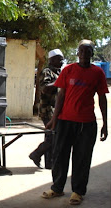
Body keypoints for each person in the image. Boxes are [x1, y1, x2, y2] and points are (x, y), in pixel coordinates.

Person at [41, 40, 108, 205]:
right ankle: (57, 188)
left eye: (88, 52)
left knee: (82, 158)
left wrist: (106, 124)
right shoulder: (68, 70)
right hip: (65, 121)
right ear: (77, 54)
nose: (84, 55)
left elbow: (102, 98)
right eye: (82, 52)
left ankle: (78, 191)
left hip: (86, 123)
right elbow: (61, 96)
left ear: (92, 54)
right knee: (59, 156)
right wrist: (54, 119)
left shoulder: (98, 72)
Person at [29, 49, 64, 169]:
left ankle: (49, 163)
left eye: (62, 58)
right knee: (53, 136)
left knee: (50, 136)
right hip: (48, 110)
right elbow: (45, 88)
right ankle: (36, 154)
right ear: (51, 60)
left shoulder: (59, 73)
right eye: (59, 59)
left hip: (56, 110)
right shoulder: (46, 72)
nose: (62, 61)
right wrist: (61, 82)